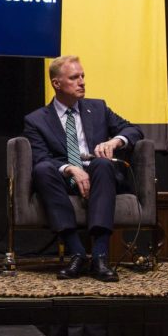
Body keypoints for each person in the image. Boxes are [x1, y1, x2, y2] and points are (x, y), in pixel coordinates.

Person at [23, 55, 143, 282]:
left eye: (83, 76)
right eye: (74, 77)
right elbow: (39, 158)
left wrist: (114, 141)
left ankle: (99, 255)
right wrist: (70, 168)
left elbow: (133, 129)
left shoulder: (98, 108)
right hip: (64, 181)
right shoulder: (36, 120)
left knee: (103, 164)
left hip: (100, 177)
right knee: (43, 170)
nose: (82, 82)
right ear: (56, 83)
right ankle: (76, 251)